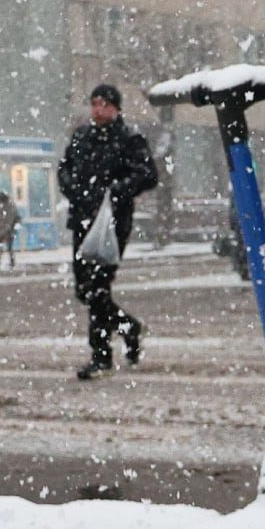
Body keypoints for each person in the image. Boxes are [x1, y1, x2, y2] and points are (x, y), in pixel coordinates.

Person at [59, 83, 159, 379]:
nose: (98, 110)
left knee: (98, 287)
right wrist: (74, 189)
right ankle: (128, 326)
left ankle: (100, 355)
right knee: (84, 288)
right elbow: (64, 169)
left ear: (116, 108)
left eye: (104, 104)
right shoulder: (81, 136)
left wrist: (116, 191)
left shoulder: (129, 139)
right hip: (83, 221)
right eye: (94, 104)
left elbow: (147, 174)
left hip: (112, 226)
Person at [0, 191, 22, 271]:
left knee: (0, 247)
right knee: (10, 247)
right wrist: (14, 226)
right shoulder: (11, 207)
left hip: (1, 231)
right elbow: (17, 217)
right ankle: (12, 261)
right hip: (9, 230)